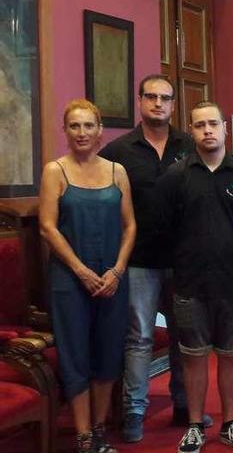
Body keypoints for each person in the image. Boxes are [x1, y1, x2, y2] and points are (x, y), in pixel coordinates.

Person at [99, 74, 211, 442]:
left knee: (185, 335)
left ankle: (184, 406)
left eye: (165, 98)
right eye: (151, 97)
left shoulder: (190, 145)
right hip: (139, 260)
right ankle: (134, 412)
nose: (158, 104)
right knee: (140, 337)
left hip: (183, 260)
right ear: (140, 102)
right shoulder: (118, 151)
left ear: (174, 105)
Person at [157, 101, 233, 453]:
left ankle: (231, 423)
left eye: (213, 124)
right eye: (199, 124)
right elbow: (165, 230)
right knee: (193, 356)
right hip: (190, 284)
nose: (207, 130)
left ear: (225, 128)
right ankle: (194, 425)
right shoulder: (175, 177)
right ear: (191, 130)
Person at [38, 99, 136, 453]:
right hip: (69, 282)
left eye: (88, 126)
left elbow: (130, 225)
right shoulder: (55, 171)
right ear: (65, 131)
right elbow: (48, 228)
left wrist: (118, 270)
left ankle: (98, 430)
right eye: (74, 126)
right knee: (75, 353)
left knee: (109, 352)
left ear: (100, 131)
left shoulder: (117, 171)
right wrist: (81, 270)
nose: (82, 133)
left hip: (112, 279)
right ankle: (82, 436)